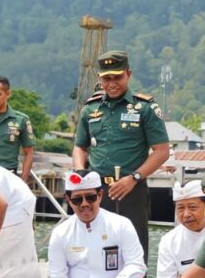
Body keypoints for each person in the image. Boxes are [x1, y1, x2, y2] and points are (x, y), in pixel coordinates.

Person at [73, 50, 170, 258]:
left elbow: (162, 151)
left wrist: (134, 178)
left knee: (134, 249)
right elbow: (80, 147)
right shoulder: (90, 109)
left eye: (117, 77)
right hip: (96, 191)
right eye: (107, 78)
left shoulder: (144, 107)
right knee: (95, 247)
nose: (112, 83)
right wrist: (81, 174)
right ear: (100, 78)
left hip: (131, 190)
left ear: (128, 74)